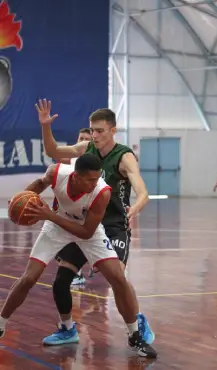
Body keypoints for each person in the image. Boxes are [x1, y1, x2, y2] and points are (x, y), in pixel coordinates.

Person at [0, 154, 157, 358]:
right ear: (75, 176)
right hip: (55, 227)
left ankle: (134, 335)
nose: (96, 182)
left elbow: (86, 232)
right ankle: (1, 324)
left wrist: (50, 216)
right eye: (90, 179)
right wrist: (22, 196)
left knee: (118, 277)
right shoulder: (57, 173)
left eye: (97, 177)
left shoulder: (102, 193)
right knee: (29, 278)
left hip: (86, 230)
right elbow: (40, 183)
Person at [35, 99, 155, 346]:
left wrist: (135, 208)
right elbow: (53, 151)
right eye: (93, 129)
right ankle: (67, 329)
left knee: (118, 279)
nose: (95, 134)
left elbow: (143, 191)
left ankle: (137, 320)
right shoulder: (86, 148)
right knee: (60, 281)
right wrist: (45, 127)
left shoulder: (124, 157)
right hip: (86, 224)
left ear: (113, 130)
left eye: (100, 130)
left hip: (112, 227)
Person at [55, 127, 93, 285]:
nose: (82, 141)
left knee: (73, 243)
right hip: (69, 208)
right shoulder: (71, 159)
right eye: (80, 138)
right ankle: (82, 268)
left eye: (86, 139)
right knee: (58, 243)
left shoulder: (94, 164)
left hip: (87, 210)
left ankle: (81, 270)